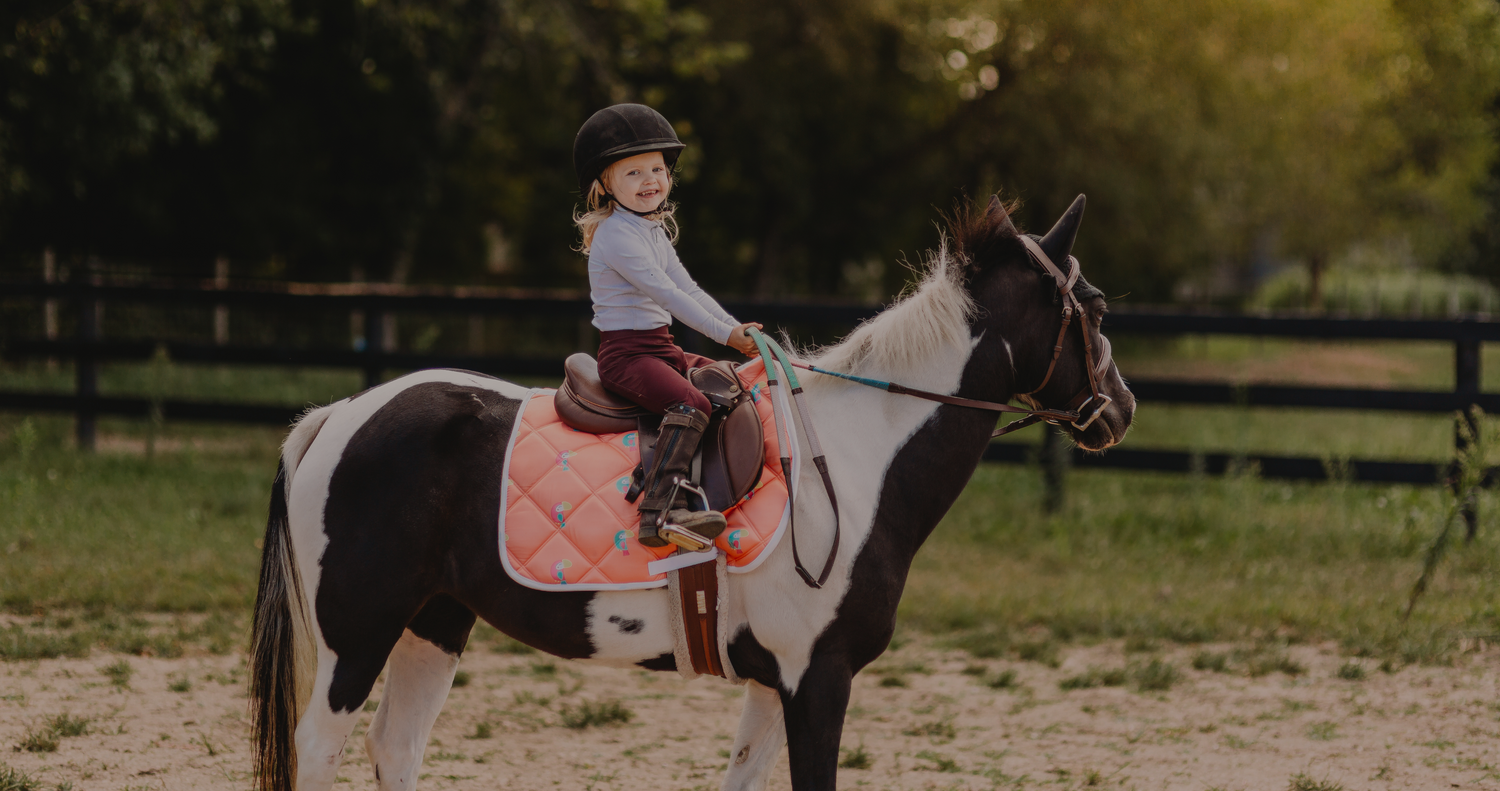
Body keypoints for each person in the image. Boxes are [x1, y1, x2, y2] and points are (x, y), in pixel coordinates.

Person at [572, 103, 763, 549]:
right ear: (605, 184)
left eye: (656, 169)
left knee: (724, 381)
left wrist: (738, 331)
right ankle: (661, 510)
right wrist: (726, 335)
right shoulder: (617, 236)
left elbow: (690, 288)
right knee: (692, 403)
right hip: (627, 356)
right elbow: (668, 297)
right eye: (633, 173)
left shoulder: (651, 230)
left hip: (659, 347)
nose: (651, 181)